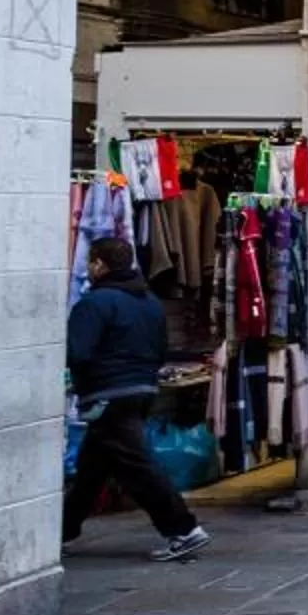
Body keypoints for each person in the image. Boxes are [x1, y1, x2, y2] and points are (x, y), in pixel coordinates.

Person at [63, 236, 210, 561]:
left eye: (91, 261)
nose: (88, 268)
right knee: (93, 467)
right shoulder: (149, 302)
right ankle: (62, 530)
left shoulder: (94, 304)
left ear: (100, 264)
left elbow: (78, 352)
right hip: (141, 390)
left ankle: (183, 529)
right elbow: (159, 349)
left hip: (107, 394)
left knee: (137, 467)